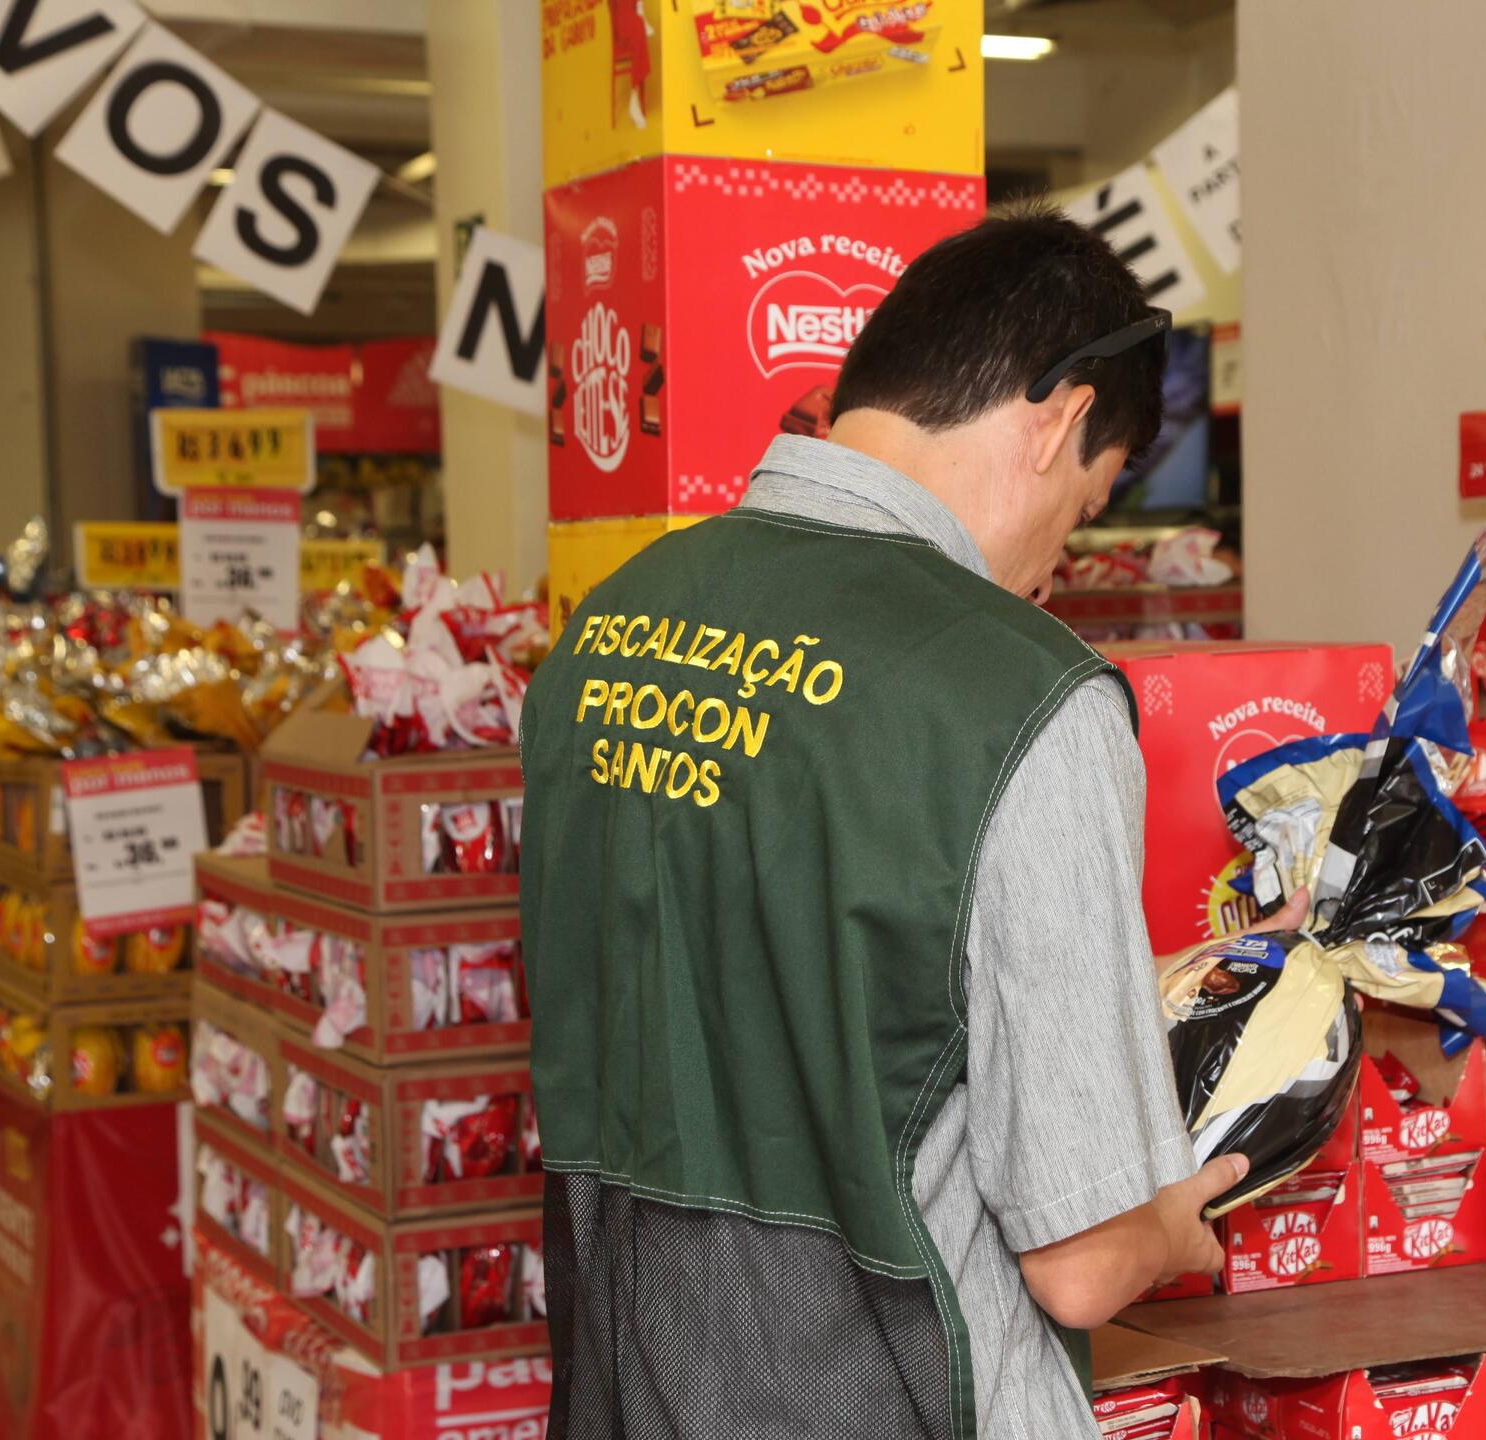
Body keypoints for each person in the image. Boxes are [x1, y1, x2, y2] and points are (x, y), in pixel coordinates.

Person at [518, 205, 1302, 1439]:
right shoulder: (1016, 693)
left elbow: (772, 984)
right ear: (1055, 420)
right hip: (891, 1395)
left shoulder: (611, 627)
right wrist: (1174, 1220)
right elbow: (1082, 1261)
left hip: (638, 1389)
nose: (1055, 567)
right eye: (1086, 510)